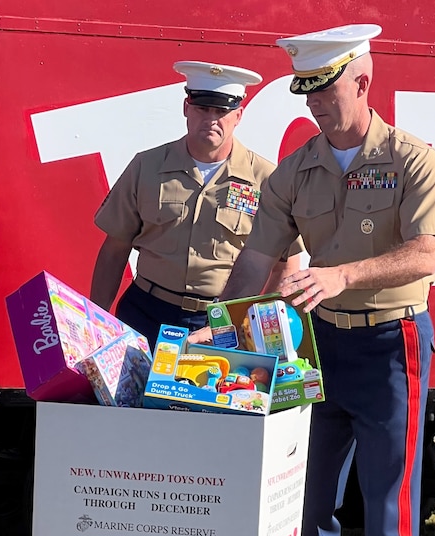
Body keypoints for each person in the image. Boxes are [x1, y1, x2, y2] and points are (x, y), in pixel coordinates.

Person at [196, 24, 435, 536]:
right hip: (317, 346)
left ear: (363, 83)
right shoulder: (295, 169)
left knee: (387, 509)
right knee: (304, 500)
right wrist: (215, 332)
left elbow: (427, 252)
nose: (314, 106)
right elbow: (256, 260)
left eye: (326, 91)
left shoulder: (412, 159)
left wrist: (341, 276)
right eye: (306, 94)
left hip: (390, 345)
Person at [90, 60, 303, 348]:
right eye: (203, 108)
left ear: (239, 115)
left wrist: (258, 331)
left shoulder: (266, 180)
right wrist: (96, 321)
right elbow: (115, 249)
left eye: (222, 111)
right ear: (186, 108)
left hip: (219, 323)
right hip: (145, 313)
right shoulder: (147, 167)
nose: (212, 119)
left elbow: (285, 266)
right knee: (132, 394)